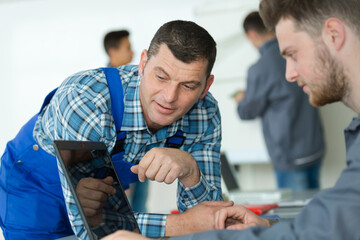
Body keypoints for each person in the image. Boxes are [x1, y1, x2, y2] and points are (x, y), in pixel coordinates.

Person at [102, 0, 360, 239]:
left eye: (292, 54)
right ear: (144, 63)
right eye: (161, 77)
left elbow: (326, 229)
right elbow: (332, 220)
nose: (289, 74)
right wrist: (268, 225)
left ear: (334, 34)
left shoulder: (211, 108)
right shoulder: (93, 98)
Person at [0, 20, 231, 239]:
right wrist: (183, 224)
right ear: (142, 64)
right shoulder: (87, 101)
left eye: (188, 86)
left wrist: (191, 171)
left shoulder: (204, 112)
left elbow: (210, 219)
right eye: (161, 77)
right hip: (34, 192)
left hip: (97, 198)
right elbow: (90, 227)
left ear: (206, 86)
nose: (169, 98)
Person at [233, 11, 325, 191]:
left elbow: (248, 111)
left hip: (289, 156)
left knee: (296, 216)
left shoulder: (260, 68)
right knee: (315, 207)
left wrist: (241, 100)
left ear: (251, 35)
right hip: (315, 147)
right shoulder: (298, 53)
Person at [104, 29, 149, 213]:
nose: (132, 53)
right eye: (127, 48)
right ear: (112, 52)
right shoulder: (103, 84)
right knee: (123, 215)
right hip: (120, 161)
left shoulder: (136, 81)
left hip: (141, 156)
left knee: (140, 210)